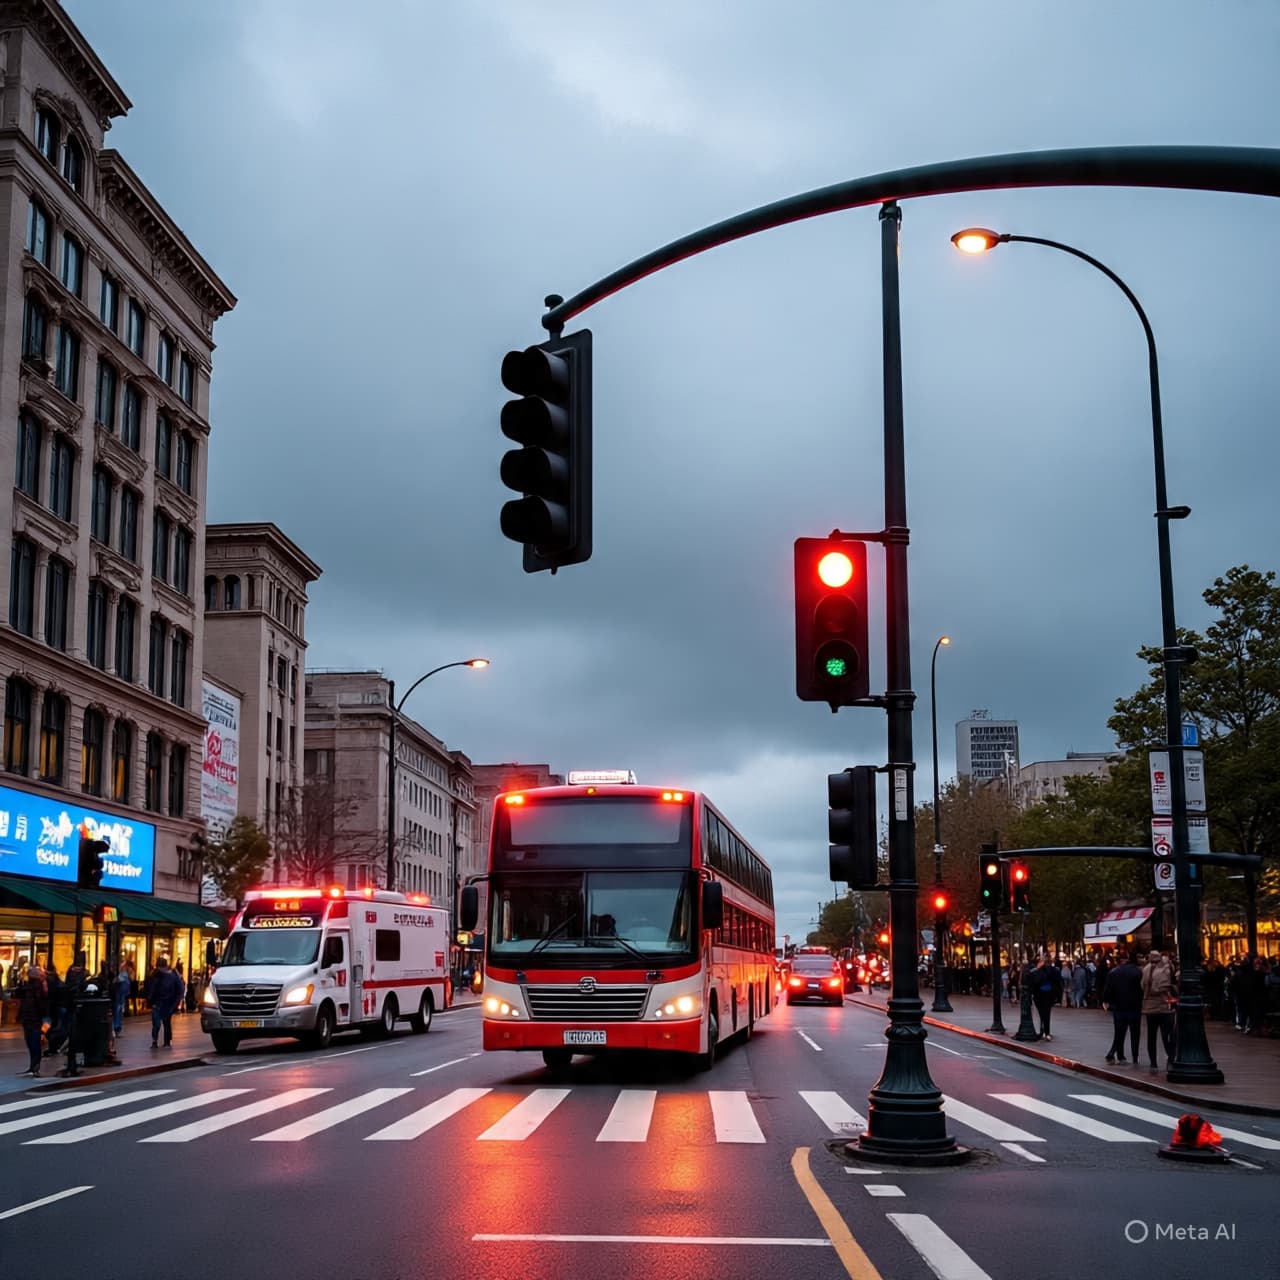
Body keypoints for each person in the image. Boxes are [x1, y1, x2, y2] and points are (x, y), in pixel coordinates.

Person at [1102, 950, 1144, 1064]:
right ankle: (1135, 1057)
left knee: (1119, 1032)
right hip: (1134, 1006)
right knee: (1135, 1033)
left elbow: (1108, 989)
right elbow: (1142, 989)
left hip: (1119, 1006)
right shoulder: (1138, 972)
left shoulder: (1114, 972)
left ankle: (1120, 1056)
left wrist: (1106, 1000)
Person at [1141, 950, 1175, 1071]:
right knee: (1167, 1036)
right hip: (1163, 1006)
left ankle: (1153, 1063)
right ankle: (1171, 1059)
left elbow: (1142, 986)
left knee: (1151, 1036)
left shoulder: (1145, 969)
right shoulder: (1165, 969)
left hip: (1149, 1007)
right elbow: (1166, 985)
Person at [18, 963, 48, 1077]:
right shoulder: (34, 986)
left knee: (32, 1042)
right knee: (33, 1042)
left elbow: (38, 1003)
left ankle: (34, 1065)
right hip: (33, 1017)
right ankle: (34, 1065)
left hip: (31, 1017)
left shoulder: (35, 987)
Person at [145, 956, 183, 1048]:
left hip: (166, 1003)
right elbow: (151, 989)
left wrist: (175, 1003)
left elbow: (179, 990)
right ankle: (158, 1041)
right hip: (161, 1003)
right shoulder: (156, 975)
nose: (159, 969)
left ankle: (165, 1041)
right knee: (159, 1023)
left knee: (164, 1023)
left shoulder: (171, 976)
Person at [1028, 952, 1062, 1040]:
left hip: (1040, 994)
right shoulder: (1054, 970)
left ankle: (1044, 1031)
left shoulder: (1038, 970)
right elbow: (1059, 983)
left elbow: (1033, 981)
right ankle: (1046, 1032)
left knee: (1042, 1013)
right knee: (1046, 1013)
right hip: (1049, 994)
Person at [113, 961, 132, 1036]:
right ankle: (117, 1027)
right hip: (120, 997)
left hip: (119, 997)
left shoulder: (122, 976)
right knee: (119, 1012)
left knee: (118, 1012)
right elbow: (125, 989)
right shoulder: (124, 976)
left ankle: (116, 1027)